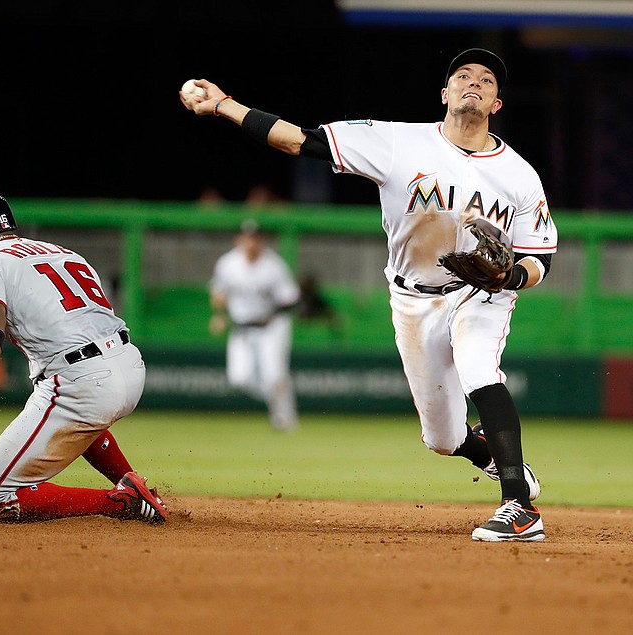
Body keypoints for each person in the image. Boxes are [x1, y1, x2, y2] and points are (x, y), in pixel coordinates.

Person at [181, 48, 557, 542]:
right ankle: (490, 455)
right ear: (444, 94)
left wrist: (508, 279)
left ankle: (519, 505)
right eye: (462, 76)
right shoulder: (398, 142)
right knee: (442, 438)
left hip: (480, 291)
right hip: (413, 299)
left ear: (497, 103)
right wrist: (224, 105)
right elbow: (300, 141)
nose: (473, 83)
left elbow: (539, 260)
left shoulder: (520, 175)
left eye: (486, 80)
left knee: (478, 366)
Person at [0, 190, 169, 524]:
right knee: (72, 414)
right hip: (129, 364)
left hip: (82, 381)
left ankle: (122, 502)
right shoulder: (61, 252)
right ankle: (134, 485)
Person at [210, 219, 301, 431]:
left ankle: (284, 417)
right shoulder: (228, 263)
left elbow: (291, 300)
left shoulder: (274, 266)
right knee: (239, 379)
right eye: (246, 238)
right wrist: (219, 315)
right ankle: (279, 395)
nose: (250, 243)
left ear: (261, 241)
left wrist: (271, 314)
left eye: (255, 238)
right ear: (239, 240)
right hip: (241, 328)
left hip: (271, 327)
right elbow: (218, 293)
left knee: (273, 374)